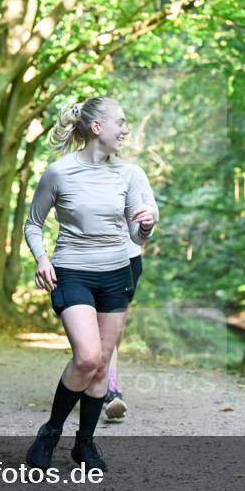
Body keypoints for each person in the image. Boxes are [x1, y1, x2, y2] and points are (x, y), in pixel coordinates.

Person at [23, 97, 157, 472]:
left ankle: (85, 445)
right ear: (97, 127)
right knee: (86, 356)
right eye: (121, 122)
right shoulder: (59, 173)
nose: (126, 130)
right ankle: (50, 432)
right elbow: (33, 223)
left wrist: (144, 226)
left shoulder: (128, 174)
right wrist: (42, 258)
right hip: (72, 271)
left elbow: (137, 234)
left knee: (100, 367)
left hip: (116, 274)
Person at [103, 164, 157, 422]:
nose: (123, 131)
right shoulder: (70, 171)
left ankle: (108, 385)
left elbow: (151, 212)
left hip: (127, 261)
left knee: (114, 330)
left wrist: (148, 222)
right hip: (84, 262)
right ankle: (104, 384)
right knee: (93, 329)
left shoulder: (132, 173)